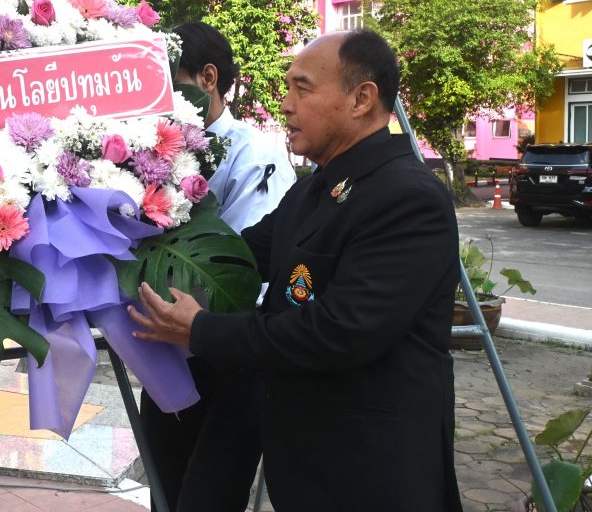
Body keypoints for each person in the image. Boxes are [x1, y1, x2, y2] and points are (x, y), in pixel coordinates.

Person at [130, 29, 463, 511]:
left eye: (301, 89)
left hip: (372, 468)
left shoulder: (407, 198)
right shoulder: (314, 189)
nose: (285, 105)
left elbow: (340, 331)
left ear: (360, 99)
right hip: (308, 461)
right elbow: (236, 257)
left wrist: (200, 330)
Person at [140, 21, 295, 512]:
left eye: (172, 83)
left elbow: (243, 269)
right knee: (166, 483)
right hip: (168, 347)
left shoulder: (255, 152)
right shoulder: (153, 150)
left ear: (208, 78)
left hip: (227, 353)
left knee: (209, 495)